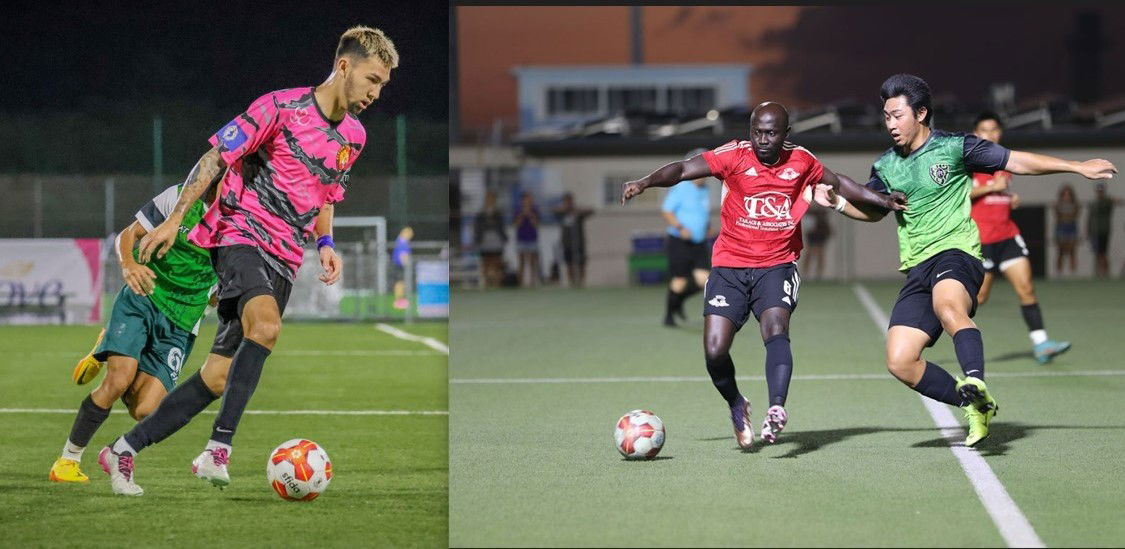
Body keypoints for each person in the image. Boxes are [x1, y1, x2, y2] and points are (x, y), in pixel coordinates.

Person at [98, 25, 398, 495]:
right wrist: (175, 218)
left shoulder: (354, 137)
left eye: (382, 84)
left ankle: (122, 450)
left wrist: (325, 243)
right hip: (239, 234)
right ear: (344, 67)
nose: (376, 92)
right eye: (372, 79)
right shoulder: (280, 107)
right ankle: (218, 449)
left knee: (217, 378)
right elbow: (215, 158)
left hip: (285, 257)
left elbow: (325, 193)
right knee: (267, 327)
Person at [819, 74, 1115, 447]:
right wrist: (838, 203)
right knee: (900, 361)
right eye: (886, 116)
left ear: (921, 113)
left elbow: (1016, 161)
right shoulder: (886, 165)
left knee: (948, 307)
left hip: (957, 252)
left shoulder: (956, 147)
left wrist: (1076, 166)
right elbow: (875, 212)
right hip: (917, 266)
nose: (890, 124)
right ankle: (974, 403)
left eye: (898, 115)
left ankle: (975, 378)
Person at [622, 102, 903, 450]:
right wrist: (645, 182)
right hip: (729, 266)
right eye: (757, 132)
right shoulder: (733, 156)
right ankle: (736, 404)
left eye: (771, 133)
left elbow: (840, 182)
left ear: (785, 134)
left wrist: (882, 199)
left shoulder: (801, 160)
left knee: (775, 329)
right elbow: (682, 169)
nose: (762, 140)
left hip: (777, 265)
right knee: (714, 350)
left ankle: (776, 407)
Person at [48, 176, 221, 485]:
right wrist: (128, 264)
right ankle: (68, 459)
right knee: (118, 380)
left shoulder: (239, 222)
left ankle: (110, 347)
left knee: (146, 411)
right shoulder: (179, 198)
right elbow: (128, 235)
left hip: (182, 322)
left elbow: (221, 288)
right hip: (143, 296)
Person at [968, 112, 1070, 363]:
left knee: (1026, 289)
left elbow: (997, 194)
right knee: (980, 297)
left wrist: (1008, 197)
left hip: (1008, 236)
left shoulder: (1005, 160)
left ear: (1000, 132)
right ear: (975, 134)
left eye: (994, 130)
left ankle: (1041, 344)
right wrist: (993, 188)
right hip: (981, 240)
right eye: (984, 130)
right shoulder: (968, 161)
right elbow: (959, 196)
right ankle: (932, 322)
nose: (990, 134)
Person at [660, 152, 712, 326]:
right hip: (679, 242)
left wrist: (707, 227)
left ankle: (679, 301)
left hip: (699, 242)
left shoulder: (705, 190)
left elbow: (701, 212)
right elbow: (667, 211)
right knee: (680, 280)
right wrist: (680, 228)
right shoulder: (681, 188)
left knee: (705, 280)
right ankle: (669, 315)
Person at [553, 193, 594, 288]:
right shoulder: (562, 213)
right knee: (569, 263)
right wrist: (564, 209)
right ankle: (572, 282)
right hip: (567, 243)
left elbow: (591, 211)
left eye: (569, 201)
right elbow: (554, 211)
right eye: (566, 202)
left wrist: (577, 211)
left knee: (581, 263)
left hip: (579, 242)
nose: (568, 204)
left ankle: (581, 282)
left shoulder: (577, 212)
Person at [474, 190, 508, 288]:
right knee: (485, 262)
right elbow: (478, 227)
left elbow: (501, 227)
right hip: (484, 240)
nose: (490, 201)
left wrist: (504, 238)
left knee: (497, 262)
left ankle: (497, 284)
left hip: (496, 240)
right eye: (488, 199)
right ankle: (485, 283)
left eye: (492, 199)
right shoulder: (481, 213)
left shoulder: (498, 213)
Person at [1088, 182, 1115, 278]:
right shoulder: (1093, 204)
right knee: (1097, 253)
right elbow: (1090, 218)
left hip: (1103, 230)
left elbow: (1110, 204)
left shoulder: (1107, 202)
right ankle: (1098, 272)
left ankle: (1105, 272)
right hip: (1095, 231)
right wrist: (1088, 231)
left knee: (1103, 252)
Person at [513, 192, 540, 287]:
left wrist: (531, 215)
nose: (528, 201)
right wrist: (522, 215)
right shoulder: (518, 210)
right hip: (521, 238)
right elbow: (516, 225)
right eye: (526, 199)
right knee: (521, 261)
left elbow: (536, 225)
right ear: (523, 200)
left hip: (532, 238)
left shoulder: (535, 210)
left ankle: (532, 282)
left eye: (530, 199)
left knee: (532, 261)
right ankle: (520, 282)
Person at [1053, 184, 1080, 275]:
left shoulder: (1075, 204)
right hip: (1061, 228)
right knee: (1060, 250)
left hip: (1071, 227)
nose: (1066, 196)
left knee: (1072, 250)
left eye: (1068, 194)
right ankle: (1059, 272)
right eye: (1065, 194)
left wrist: (1067, 217)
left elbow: (1075, 215)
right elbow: (1058, 216)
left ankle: (1073, 272)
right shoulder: (1058, 204)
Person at [801, 206, 832, 280]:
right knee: (809, 253)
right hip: (812, 231)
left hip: (820, 231)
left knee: (820, 253)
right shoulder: (811, 210)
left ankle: (819, 274)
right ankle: (805, 273)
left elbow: (825, 212)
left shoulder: (822, 209)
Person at [393, 226, 414, 309]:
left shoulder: (400, 240)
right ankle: (399, 302)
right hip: (400, 266)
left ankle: (400, 301)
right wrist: (406, 265)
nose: (410, 237)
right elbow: (403, 256)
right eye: (410, 234)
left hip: (399, 265)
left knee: (401, 283)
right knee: (400, 283)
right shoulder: (403, 242)